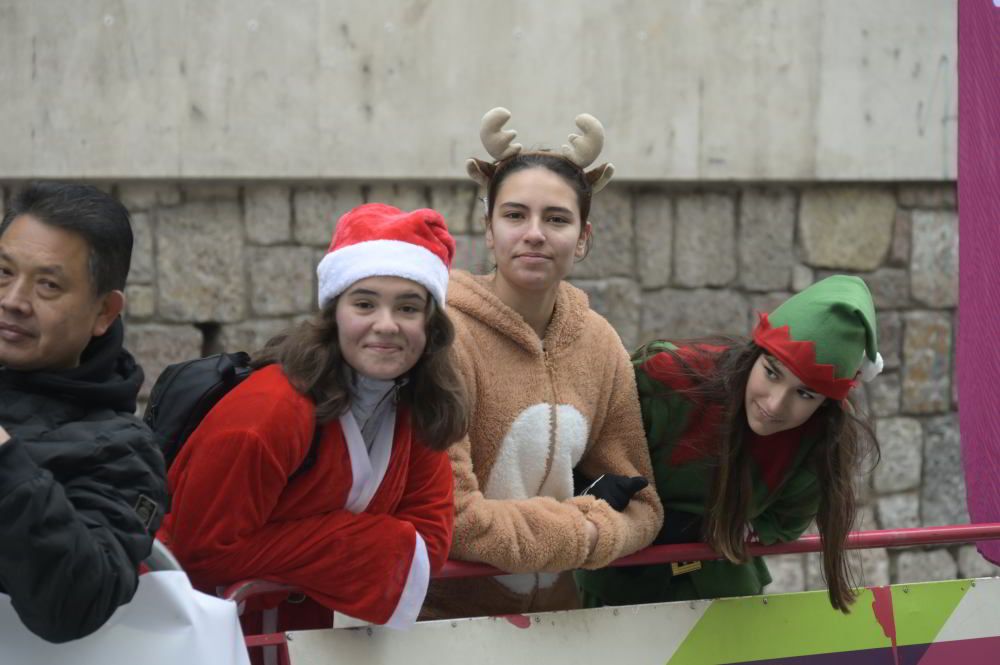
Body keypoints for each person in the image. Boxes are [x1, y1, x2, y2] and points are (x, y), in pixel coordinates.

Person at [159, 203, 468, 629]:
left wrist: (290, 548)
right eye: (365, 304)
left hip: (302, 634)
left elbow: (428, 543)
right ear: (334, 314)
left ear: (430, 325)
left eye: (408, 308)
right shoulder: (269, 410)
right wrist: (367, 540)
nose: (386, 325)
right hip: (206, 633)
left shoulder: (416, 407)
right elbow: (202, 550)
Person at [422, 108, 663, 619]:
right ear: (489, 230)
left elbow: (643, 504)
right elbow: (452, 515)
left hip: (558, 624)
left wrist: (597, 532)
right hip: (442, 624)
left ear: (583, 237)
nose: (534, 233)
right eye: (515, 215)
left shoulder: (600, 343)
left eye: (556, 219)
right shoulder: (442, 336)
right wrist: (583, 534)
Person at [576, 275, 882, 612]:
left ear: (825, 404)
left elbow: (782, 523)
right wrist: (588, 493)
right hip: (614, 590)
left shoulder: (818, 442)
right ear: (755, 355)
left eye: (805, 394)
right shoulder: (668, 379)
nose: (775, 404)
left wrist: (709, 530)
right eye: (772, 372)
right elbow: (584, 441)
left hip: (725, 603)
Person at [0, 182, 167, 642]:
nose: (13, 300)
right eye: (3, 272)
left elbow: (76, 603)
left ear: (104, 312)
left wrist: (6, 461)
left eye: (48, 285)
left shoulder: (122, 453)